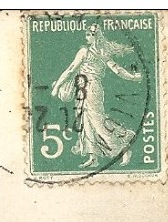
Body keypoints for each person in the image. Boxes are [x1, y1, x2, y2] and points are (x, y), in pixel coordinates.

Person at [50, 22, 143, 169]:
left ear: (95, 37)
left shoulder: (84, 52)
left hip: (90, 89)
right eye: (86, 34)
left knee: (97, 122)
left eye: (89, 34)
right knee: (86, 122)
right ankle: (93, 157)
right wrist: (133, 77)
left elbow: (70, 70)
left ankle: (123, 148)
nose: (86, 37)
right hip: (88, 88)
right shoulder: (102, 53)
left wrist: (57, 87)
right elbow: (117, 69)